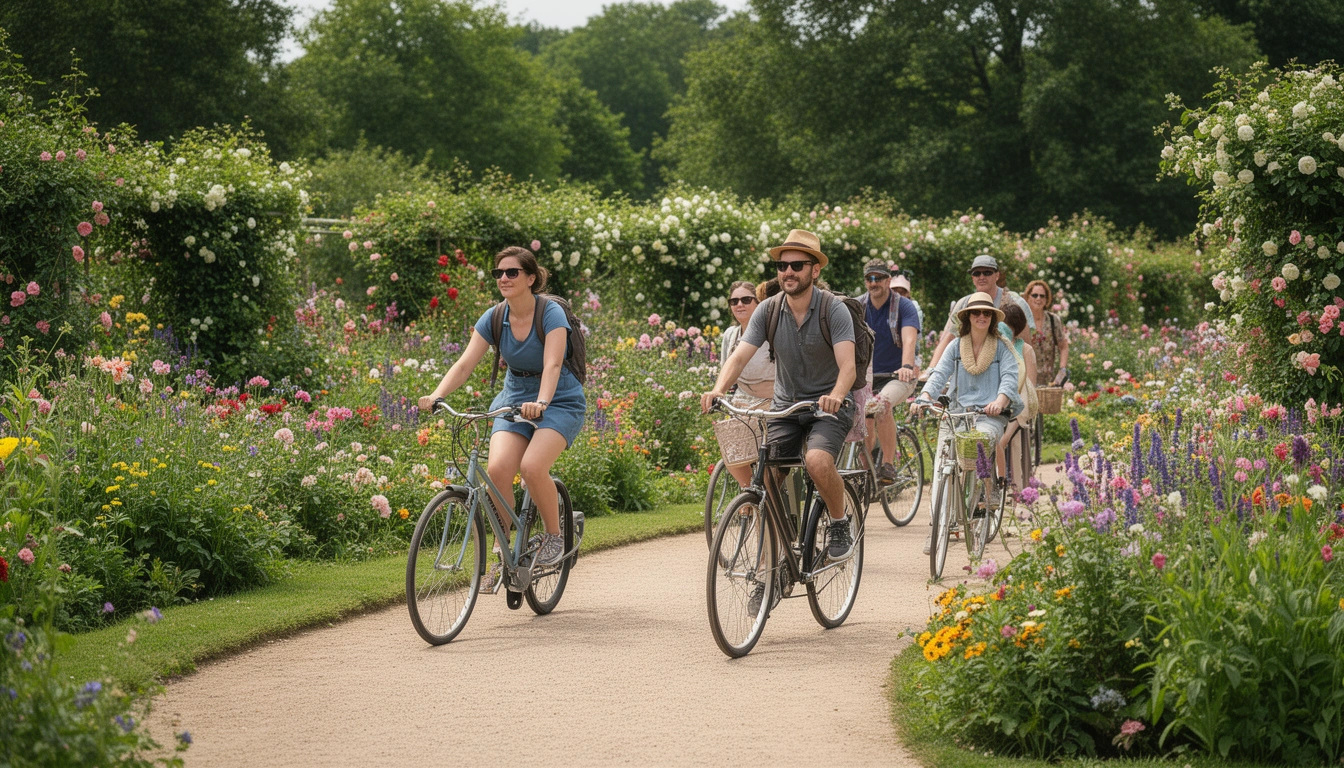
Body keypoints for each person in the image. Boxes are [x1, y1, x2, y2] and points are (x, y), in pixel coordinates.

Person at [419, 246, 586, 582]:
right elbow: (465, 363)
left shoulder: (549, 313)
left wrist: (541, 401)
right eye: (499, 273)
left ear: (530, 278)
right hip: (512, 398)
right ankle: (503, 550)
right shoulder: (495, 317)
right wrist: (437, 394)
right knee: (497, 469)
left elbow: (553, 363)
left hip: (559, 400)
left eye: (512, 272)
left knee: (532, 466)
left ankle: (554, 535)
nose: (504, 278)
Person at [701, 228, 857, 568]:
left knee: (816, 461)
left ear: (815, 270)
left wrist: (835, 395)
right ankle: (781, 556)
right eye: (782, 266)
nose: (788, 272)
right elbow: (739, 357)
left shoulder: (834, 311)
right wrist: (718, 388)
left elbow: (848, 368)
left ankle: (839, 521)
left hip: (828, 407)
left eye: (797, 265)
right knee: (766, 476)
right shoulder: (768, 310)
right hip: (786, 407)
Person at [911, 292, 1021, 554]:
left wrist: (1000, 400)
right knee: (941, 466)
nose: (981, 316)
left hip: (988, 415)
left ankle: (979, 502)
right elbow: (939, 374)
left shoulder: (1002, 347)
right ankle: (937, 526)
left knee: (980, 443)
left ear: (992, 318)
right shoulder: (955, 346)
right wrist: (925, 396)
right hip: (957, 413)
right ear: (967, 317)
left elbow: (1009, 378)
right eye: (975, 313)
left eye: (986, 313)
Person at [857, 259, 921, 485]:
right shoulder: (858, 306)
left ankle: (888, 465)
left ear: (888, 280)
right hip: (866, 377)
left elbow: (909, 338)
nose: (873, 283)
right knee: (859, 417)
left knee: (882, 405)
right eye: (869, 278)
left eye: (879, 278)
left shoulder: (903, 306)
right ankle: (864, 471)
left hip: (898, 376)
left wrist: (906, 366)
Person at [716, 280, 776, 487]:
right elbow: (729, 369)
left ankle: (763, 498)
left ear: (758, 303)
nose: (739, 304)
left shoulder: (772, 333)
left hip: (773, 400)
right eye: (734, 301)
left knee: (768, 464)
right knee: (730, 445)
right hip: (743, 399)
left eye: (746, 299)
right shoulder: (730, 335)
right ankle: (748, 495)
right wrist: (719, 393)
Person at [926, 255, 1032, 372]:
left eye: (987, 272)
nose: (981, 277)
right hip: (970, 370)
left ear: (997, 275)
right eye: (977, 273)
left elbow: (1025, 344)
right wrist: (931, 369)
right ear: (972, 278)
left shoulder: (1015, 302)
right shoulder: (964, 304)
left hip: (1007, 369)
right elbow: (949, 338)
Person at [997, 303, 1038, 489]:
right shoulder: (995, 346)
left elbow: (1029, 386)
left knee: (1021, 394)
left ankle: (1016, 488)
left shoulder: (1025, 350)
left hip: (1018, 407)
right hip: (996, 402)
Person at [1023, 279, 1069, 386]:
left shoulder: (1053, 320)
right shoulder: (1022, 321)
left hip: (1049, 382)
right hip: (1027, 381)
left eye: (1042, 296)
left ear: (1046, 298)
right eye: (1034, 295)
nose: (1038, 298)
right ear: (1028, 297)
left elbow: (1063, 346)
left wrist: (1062, 370)